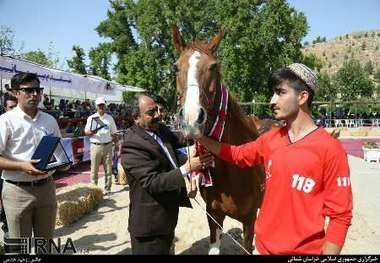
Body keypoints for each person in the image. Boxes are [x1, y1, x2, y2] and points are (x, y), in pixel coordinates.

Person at [192, 63, 353, 255]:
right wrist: (200, 137)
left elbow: (340, 216)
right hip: (263, 248)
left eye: (280, 93)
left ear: (302, 97)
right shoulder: (270, 139)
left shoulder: (330, 149)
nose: (272, 100)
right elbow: (236, 154)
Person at [121, 94, 214, 255]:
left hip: (166, 220)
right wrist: (188, 167)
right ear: (136, 117)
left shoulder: (159, 128)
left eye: (158, 109)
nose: (158, 114)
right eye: (151, 112)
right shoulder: (132, 145)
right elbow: (153, 182)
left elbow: (180, 139)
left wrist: (196, 122)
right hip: (150, 229)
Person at [0, 72, 61, 245]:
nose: (35, 94)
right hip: (17, 192)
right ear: (16, 93)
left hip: (47, 188)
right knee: (21, 248)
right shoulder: (5, 121)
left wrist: (62, 163)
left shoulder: (50, 120)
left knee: (45, 244)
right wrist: (21, 166)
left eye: (38, 90)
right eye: (29, 90)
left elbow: (59, 151)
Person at [84, 97, 117, 195]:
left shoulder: (109, 118)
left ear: (105, 106)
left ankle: (108, 189)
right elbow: (86, 131)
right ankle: (94, 191)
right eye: (99, 105)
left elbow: (114, 132)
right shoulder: (91, 118)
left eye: (102, 105)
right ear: (96, 107)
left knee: (108, 169)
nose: (101, 107)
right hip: (95, 145)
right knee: (94, 170)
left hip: (108, 145)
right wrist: (91, 131)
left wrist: (116, 145)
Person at [0, 94, 18, 237]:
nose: (14, 110)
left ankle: (8, 231)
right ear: (4, 108)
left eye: (16, 107)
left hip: (10, 176)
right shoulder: (2, 123)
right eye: (11, 107)